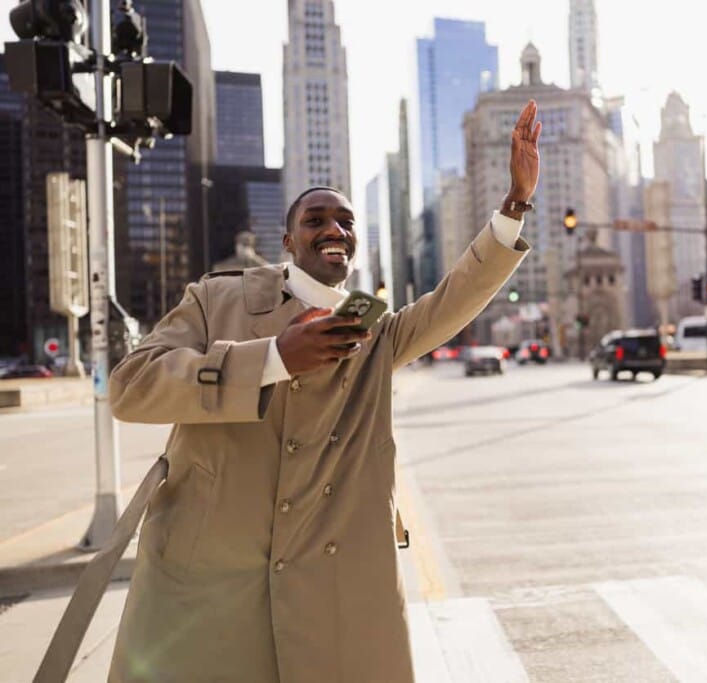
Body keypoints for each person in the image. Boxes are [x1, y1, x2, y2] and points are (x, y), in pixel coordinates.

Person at [105, 101, 541, 682]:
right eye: (316, 220)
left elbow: (454, 299)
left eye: (346, 221)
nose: (334, 229)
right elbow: (131, 388)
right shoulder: (217, 300)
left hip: (337, 592)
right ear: (288, 239)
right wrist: (271, 359)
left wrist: (515, 204)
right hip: (210, 586)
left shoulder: (375, 329)